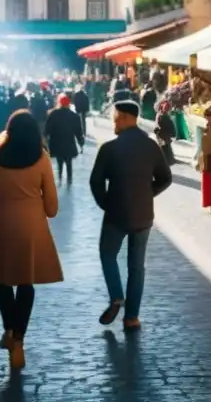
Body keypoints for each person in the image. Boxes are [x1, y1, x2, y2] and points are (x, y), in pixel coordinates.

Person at [0, 111, 62, 370]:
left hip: (4, 222)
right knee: (26, 282)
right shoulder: (42, 159)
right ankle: (18, 338)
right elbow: (52, 206)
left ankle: (8, 328)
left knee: (3, 280)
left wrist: (2, 200)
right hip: (32, 224)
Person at [90, 99, 172, 331]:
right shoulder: (151, 146)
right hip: (144, 215)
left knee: (107, 254)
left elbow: (96, 181)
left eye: (115, 117)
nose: (113, 122)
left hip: (116, 213)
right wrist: (148, 193)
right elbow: (166, 178)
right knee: (137, 267)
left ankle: (116, 296)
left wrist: (106, 203)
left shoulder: (109, 148)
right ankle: (132, 317)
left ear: (126, 117)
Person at [44, 94, 84, 186]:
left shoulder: (53, 114)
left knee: (59, 161)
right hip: (69, 143)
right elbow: (78, 131)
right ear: (68, 104)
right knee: (69, 162)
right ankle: (69, 180)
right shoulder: (74, 116)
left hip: (56, 142)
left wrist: (46, 138)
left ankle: (60, 178)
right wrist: (81, 141)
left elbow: (47, 129)